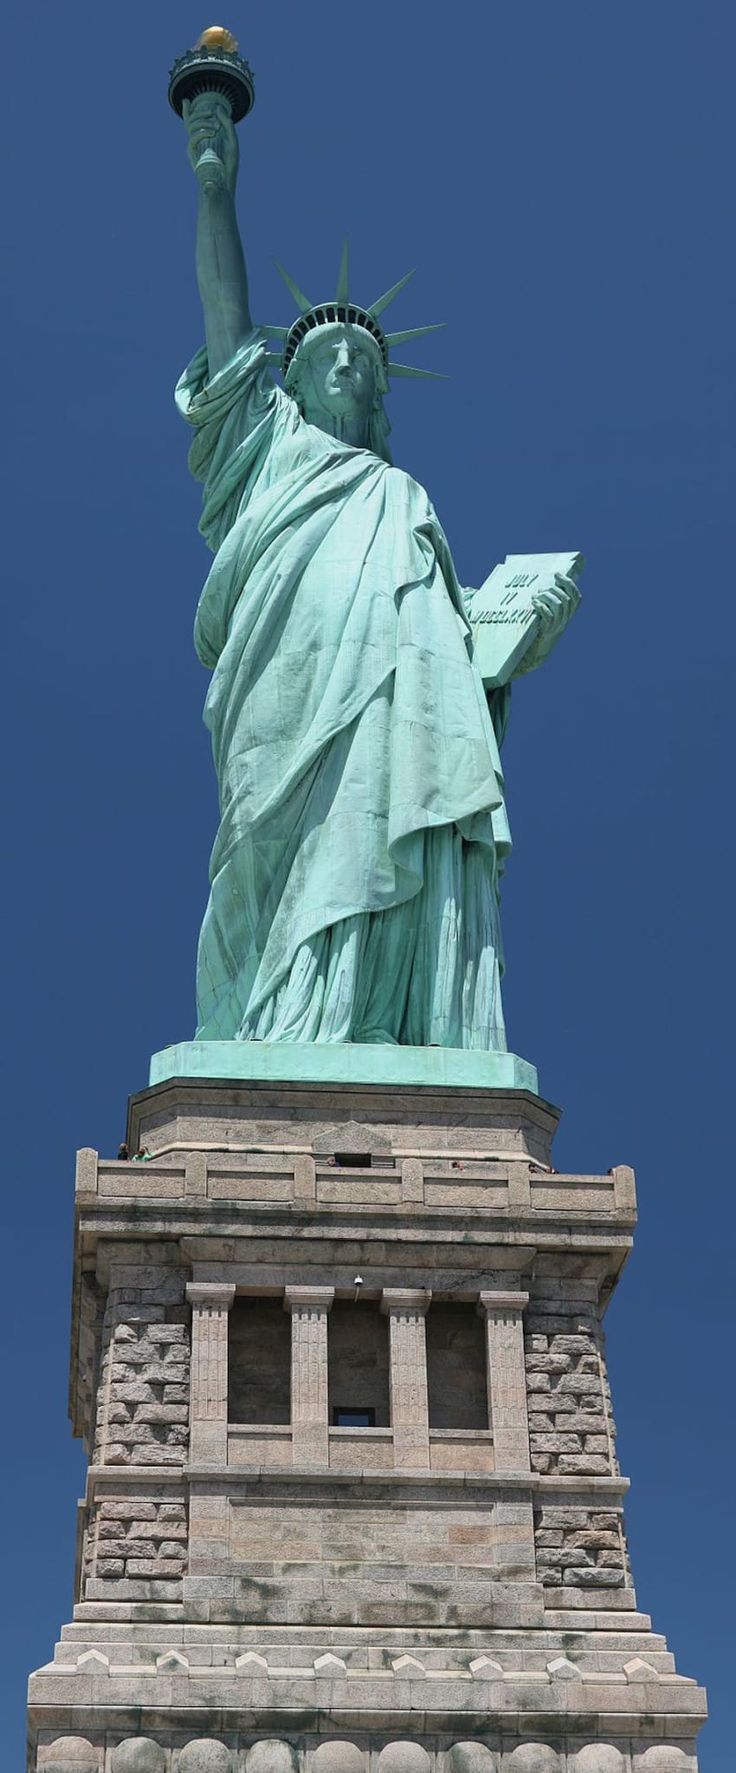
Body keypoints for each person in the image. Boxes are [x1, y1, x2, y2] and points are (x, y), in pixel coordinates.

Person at [176, 95, 580, 1050]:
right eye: (329, 357)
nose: (351, 368)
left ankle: (393, 1028)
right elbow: (229, 325)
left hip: (403, 714)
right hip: (286, 695)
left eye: (365, 359)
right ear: (296, 383)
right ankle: (282, 1027)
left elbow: (456, 661)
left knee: (396, 817)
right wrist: (216, 196)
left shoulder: (408, 505)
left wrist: (512, 635)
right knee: (284, 852)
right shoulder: (266, 450)